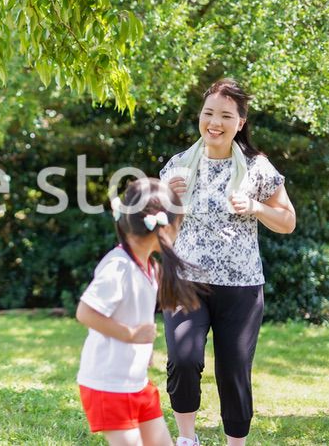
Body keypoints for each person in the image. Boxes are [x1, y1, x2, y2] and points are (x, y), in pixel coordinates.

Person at [158, 78, 297, 446]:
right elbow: (161, 232)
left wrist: (255, 207)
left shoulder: (258, 167)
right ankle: (187, 438)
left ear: (240, 121)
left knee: (234, 369)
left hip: (241, 287)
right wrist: (168, 204)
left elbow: (287, 221)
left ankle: (236, 442)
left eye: (225, 115)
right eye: (208, 113)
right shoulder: (177, 166)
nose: (214, 122)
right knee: (183, 359)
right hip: (186, 282)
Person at [76, 177, 201, 446]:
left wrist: (141, 352)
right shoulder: (118, 267)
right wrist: (130, 335)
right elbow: (85, 312)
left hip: (136, 384)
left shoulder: (149, 268)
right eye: (178, 224)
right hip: (107, 386)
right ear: (163, 226)